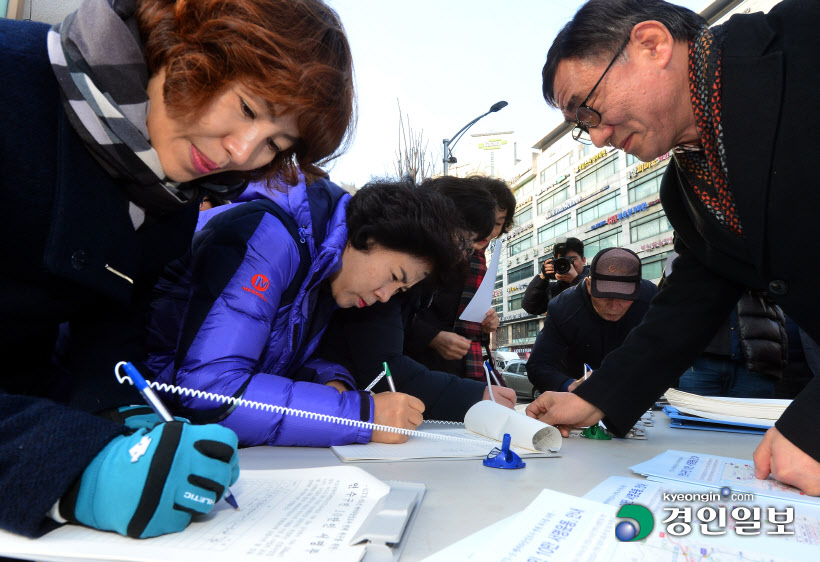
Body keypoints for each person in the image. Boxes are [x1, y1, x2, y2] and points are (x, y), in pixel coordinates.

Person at [0, 0, 355, 538]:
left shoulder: (169, 200)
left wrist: (127, 421)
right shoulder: (12, 83)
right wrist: (70, 469)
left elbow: (110, 331)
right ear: (188, 43)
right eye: (247, 108)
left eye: (275, 144)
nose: (241, 152)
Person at [528, 0, 820, 495]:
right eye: (582, 125)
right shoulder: (685, 185)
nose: (597, 136)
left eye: (589, 108)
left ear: (651, 44)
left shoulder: (806, 40)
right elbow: (689, 301)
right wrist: (596, 398)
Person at [145, 178, 466, 447]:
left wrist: (328, 379)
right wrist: (359, 415)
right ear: (368, 236)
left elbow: (270, 357)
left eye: (400, 292)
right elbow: (208, 391)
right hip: (141, 415)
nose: (385, 297)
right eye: (395, 277)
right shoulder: (272, 240)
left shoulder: (321, 268)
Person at [319, 176, 517, 421]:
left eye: (401, 287)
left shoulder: (412, 280)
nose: (384, 295)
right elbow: (382, 367)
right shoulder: (374, 271)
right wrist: (473, 396)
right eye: (464, 241)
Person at [404, 176, 517, 382]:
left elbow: (467, 320)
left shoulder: (480, 261)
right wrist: (432, 338)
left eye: (498, 224)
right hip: (422, 365)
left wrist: (486, 323)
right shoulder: (435, 253)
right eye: (485, 221)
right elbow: (398, 311)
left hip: (464, 364)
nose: (489, 231)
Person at [527, 248, 657, 393]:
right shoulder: (563, 308)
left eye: (624, 297)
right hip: (577, 391)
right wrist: (570, 386)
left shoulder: (651, 298)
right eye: (604, 296)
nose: (614, 306)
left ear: (637, 289)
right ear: (588, 285)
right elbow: (538, 365)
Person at [521, 237, 589, 315]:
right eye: (562, 260)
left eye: (572, 259)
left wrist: (575, 280)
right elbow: (530, 307)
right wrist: (543, 278)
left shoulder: (596, 278)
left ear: (583, 260)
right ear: (556, 262)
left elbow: (598, 303)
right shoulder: (553, 289)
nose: (568, 264)